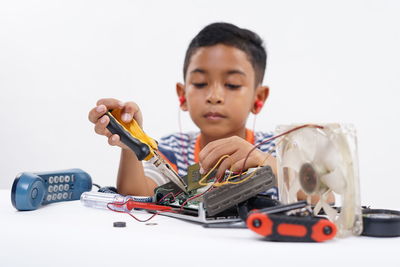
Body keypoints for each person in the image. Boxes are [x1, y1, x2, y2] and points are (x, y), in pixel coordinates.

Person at [88, 22, 276, 196]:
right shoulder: (172, 149)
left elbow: (304, 190)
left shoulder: (274, 150)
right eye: (200, 83)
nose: (214, 96)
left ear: (258, 98)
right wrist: (132, 143)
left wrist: (268, 163)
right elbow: (138, 194)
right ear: (182, 95)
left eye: (232, 85)